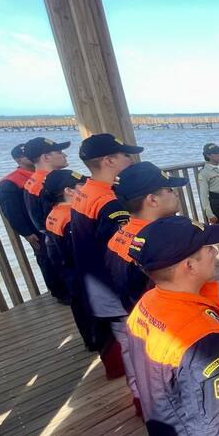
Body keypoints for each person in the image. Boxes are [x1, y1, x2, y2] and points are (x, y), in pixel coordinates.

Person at [125, 216, 219, 436]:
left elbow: (135, 373)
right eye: (209, 249)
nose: (215, 253)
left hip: (169, 432)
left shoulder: (147, 304)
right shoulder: (201, 339)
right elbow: (215, 428)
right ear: (189, 266)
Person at [106, 162, 189, 413]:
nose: (175, 195)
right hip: (162, 329)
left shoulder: (121, 233)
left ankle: (143, 402)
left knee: (137, 365)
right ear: (153, 199)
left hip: (132, 317)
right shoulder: (155, 243)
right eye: (170, 191)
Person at [72, 133, 142, 377]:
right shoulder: (109, 202)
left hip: (92, 278)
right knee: (131, 341)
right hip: (112, 286)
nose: (131, 159)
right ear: (108, 161)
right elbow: (121, 252)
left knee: (115, 333)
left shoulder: (85, 191)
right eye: (125, 155)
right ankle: (141, 390)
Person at [22, 136, 71, 301]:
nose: (64, 155)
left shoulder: (33, 180)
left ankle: (62, 293)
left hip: (46, 236)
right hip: (58, 238)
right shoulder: (48, 184)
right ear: (45, 157)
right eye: (58, 151)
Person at [43, 170, 90, 341]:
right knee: (86, 306)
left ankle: (88, 338)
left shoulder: (53, 214)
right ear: (69, 191)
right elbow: (80, 250)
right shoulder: (71, 218)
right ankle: (94, 339)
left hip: (65, 271)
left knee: (77, 305)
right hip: (79, 273)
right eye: (83, 185)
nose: (87, 187)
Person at [0, 144, 50, 295]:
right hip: (35, 229)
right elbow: (11, 211)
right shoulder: (9, 182)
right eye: (26, 154)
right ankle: (58, 292)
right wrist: (26, 232)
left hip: (53, 225)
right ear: (18, 159)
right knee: (45, 258)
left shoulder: (45, 174)